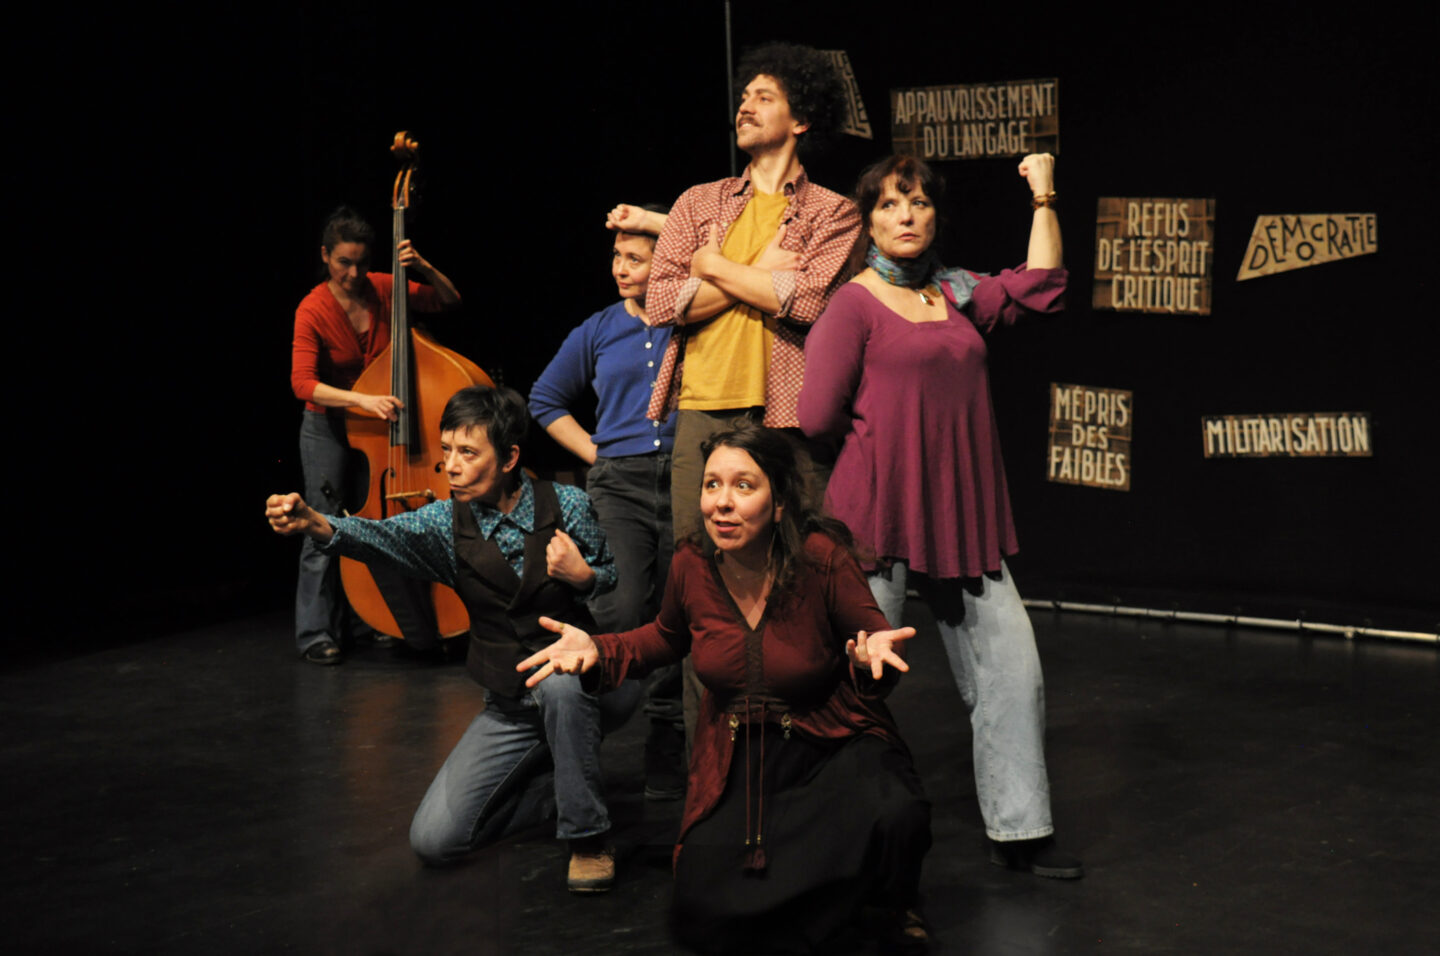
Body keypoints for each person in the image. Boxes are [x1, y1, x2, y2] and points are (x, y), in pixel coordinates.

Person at [521, 422, 931, 953]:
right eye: (712, 485)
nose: (722, 503)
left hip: (828, 743)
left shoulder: (821, 557)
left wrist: (871, 655)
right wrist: (603, 648)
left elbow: (874, 636)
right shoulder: (693, 563)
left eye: (743, 486)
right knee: (704, 909)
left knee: (895, 812)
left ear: (779, 501)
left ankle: (892, 901)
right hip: (739, 754)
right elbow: (665, 637)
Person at [798, 153, 1083, 879]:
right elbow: (815, 414)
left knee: (1012, 672)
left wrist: (1042, 194)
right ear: (868, 221)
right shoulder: (852, 304)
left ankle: (1022, 832)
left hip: (963, 513)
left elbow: (1043, 287)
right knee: (858, 680)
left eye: (919, 204)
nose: (906, 216)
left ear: (935, 218)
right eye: (891, 205)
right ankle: (830, 836)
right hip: (877, 514)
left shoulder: (956, 294)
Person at [266, 385, 636, 893]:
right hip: (509, 704)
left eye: (467, 452)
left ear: (509, 457)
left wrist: (582, 577)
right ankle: (567, 790)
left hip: (585, 688)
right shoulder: (446, 523)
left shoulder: (566, 505)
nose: (451, 466)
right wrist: (315, 523)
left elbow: (610, 580)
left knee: (560, 684)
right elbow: (382, 538)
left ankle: (589, 837)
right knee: (435, 840)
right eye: (447, 452)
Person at [612, 41, 862, 744]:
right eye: (743, 96)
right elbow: (662, 301)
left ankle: (801, 749)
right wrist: (751, 272)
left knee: (798, 587)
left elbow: (806, 299)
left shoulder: (834, 214)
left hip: (783, 416)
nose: (744, 106)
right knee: (706, 589)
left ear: (802, 118)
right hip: (701, 410)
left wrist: (712, 264)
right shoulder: (699, 202)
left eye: (764, 96)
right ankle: (710, 763)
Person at [528, 205, 687, 800]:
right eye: (616, 257)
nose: (621, 268)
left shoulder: (691, 319)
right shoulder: (597, 328)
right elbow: (545, 400)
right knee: (619, 609)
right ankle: (582, 731)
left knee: (678, 609)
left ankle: (667, 742)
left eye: (636, 258)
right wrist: (599, 453)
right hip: (619, 483)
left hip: (685, 479)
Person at [289, 206, 462, 664]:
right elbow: (302, 384)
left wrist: (423, 267)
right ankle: (315, 632)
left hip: (377, 426)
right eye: (344, 262)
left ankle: (376, 618)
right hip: (328, 423)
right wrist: (362, 401)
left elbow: (448, 301)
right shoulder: (312, 308)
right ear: (325, 256)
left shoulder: (383, 287)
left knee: (372, 524)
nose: (354, 272)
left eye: (362, 262)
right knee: (321, 521)